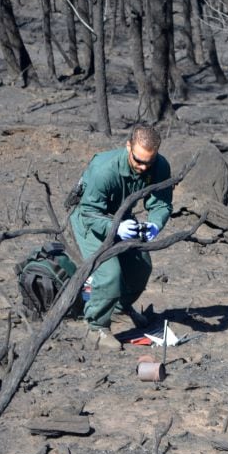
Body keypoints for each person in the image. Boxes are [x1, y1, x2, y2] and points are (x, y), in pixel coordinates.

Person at [70, 126, 173, 349]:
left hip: (122, 217)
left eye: (149, 162)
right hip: (90, 219)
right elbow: (88, 212)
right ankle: (96, 327)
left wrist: (155, 223)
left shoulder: (160, 166)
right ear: (128, 147)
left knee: (140, 268)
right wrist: (114, 228)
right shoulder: (103, 170)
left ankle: (119, 306)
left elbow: (161, 203)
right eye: (138, 160)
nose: (143, 167)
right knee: (110, 274)